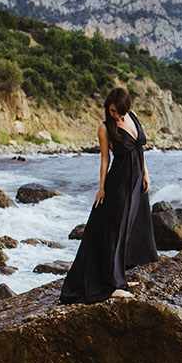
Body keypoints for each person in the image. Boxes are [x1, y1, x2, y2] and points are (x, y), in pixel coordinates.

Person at [60, 86, 158, 304]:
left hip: (137, 181)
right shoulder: (105, 128)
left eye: (119, 111)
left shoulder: (132, 117)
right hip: (119, 182)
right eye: (112, 111)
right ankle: (111, 286)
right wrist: (102, 187)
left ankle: (119, 277)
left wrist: (146, 174)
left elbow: (139, 149)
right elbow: (105, 158)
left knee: (131, 226)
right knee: (115, 229)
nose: (116, 115)